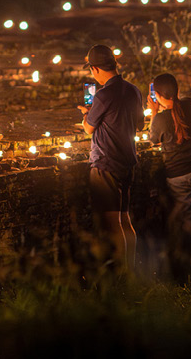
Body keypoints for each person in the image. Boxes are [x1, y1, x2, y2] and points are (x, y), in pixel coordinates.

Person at [77, 44, 144, 266]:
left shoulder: (104, 94)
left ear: (95, 69)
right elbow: (140, 124)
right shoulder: (133, 90)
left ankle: (121, 277)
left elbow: (88, 128)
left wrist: (86, 116)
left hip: (106, 164)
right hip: (127, 162)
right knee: (125, 220)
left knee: (111, 223)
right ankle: (131, 269)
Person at [148, 73, 191, 260]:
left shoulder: (160, 119)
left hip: (179, 174)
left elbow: (153, 140)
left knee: (190, 221)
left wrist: (154, 112)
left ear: (159, 95)